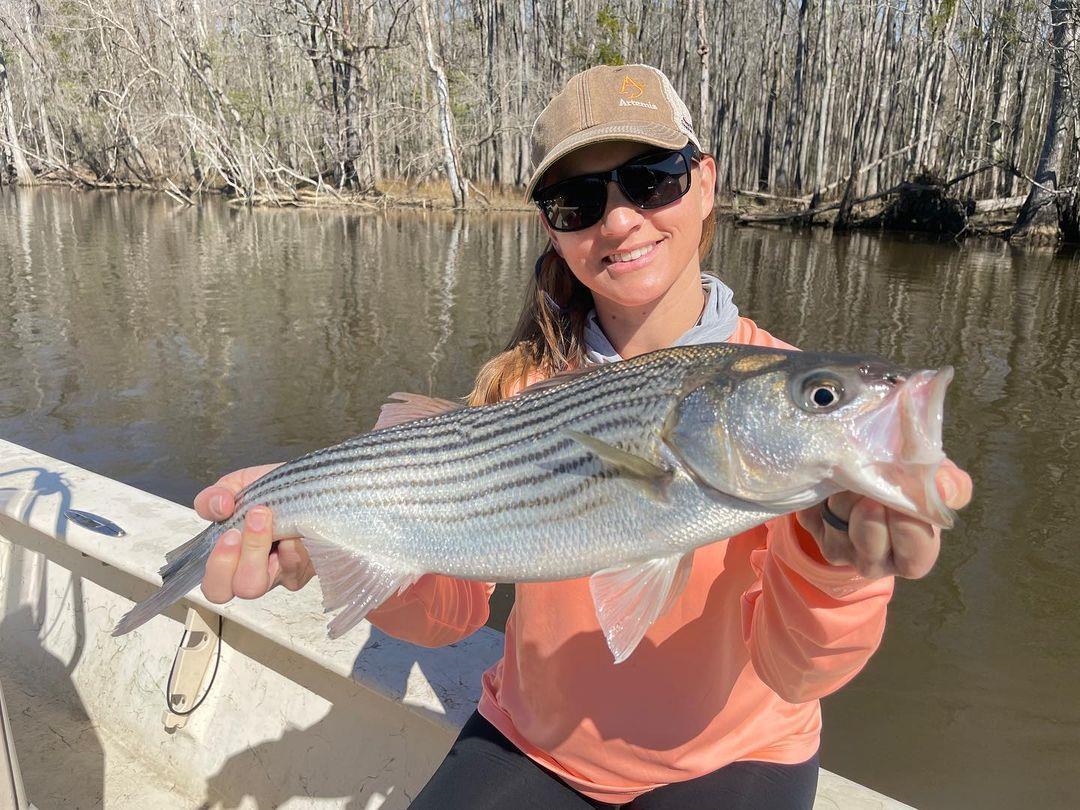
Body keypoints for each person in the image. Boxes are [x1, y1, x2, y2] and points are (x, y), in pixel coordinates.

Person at [193, 65, 972, 808]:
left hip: (740, 754)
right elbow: (449, 614)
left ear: (705, 182)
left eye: (652, 179)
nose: (621, 219)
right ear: (553, 228)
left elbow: (797, 673)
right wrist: (338, 539)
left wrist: (839, 567)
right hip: (540, 743)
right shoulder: (517, 386)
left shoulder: (775, 383)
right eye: (578, 201)